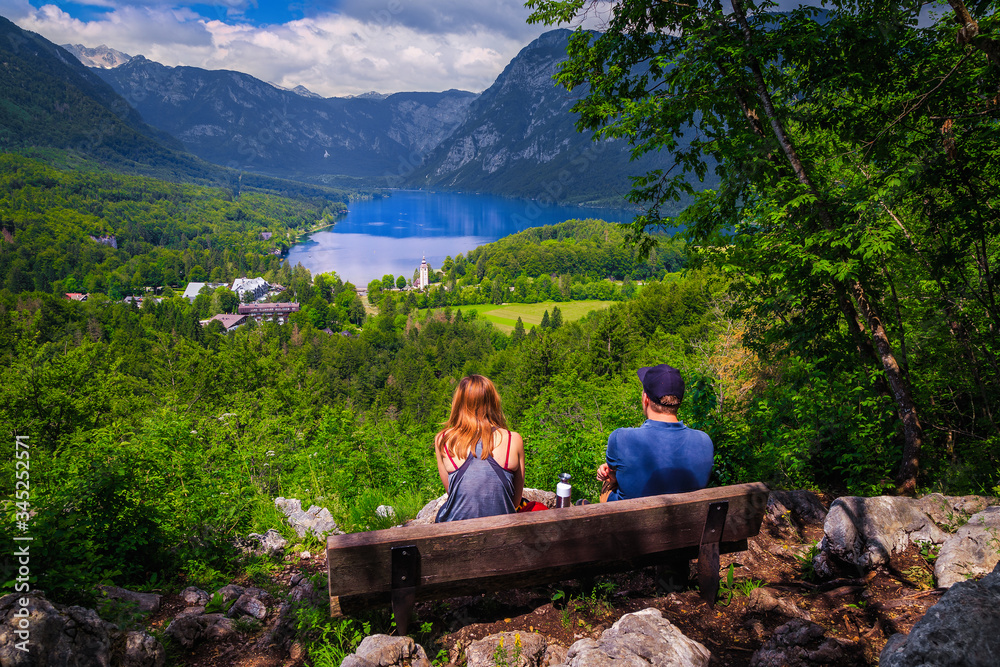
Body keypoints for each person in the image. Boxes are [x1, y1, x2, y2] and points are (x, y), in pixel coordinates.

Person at [597, 364, 713, 502]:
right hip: (688, 520)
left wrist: (612, 475)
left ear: (646, 399)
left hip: (630, 521)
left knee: (608, 483)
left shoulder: (621, 438)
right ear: (679, 401)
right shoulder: (704, 441)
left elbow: (618, 474)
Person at [434, 375, 525, 522]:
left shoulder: (443, 440)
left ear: (459, 403)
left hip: (456, 534)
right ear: (493, 401)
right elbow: (514, 502)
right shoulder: (513, 440)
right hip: (502, 535)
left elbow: (453, 493)